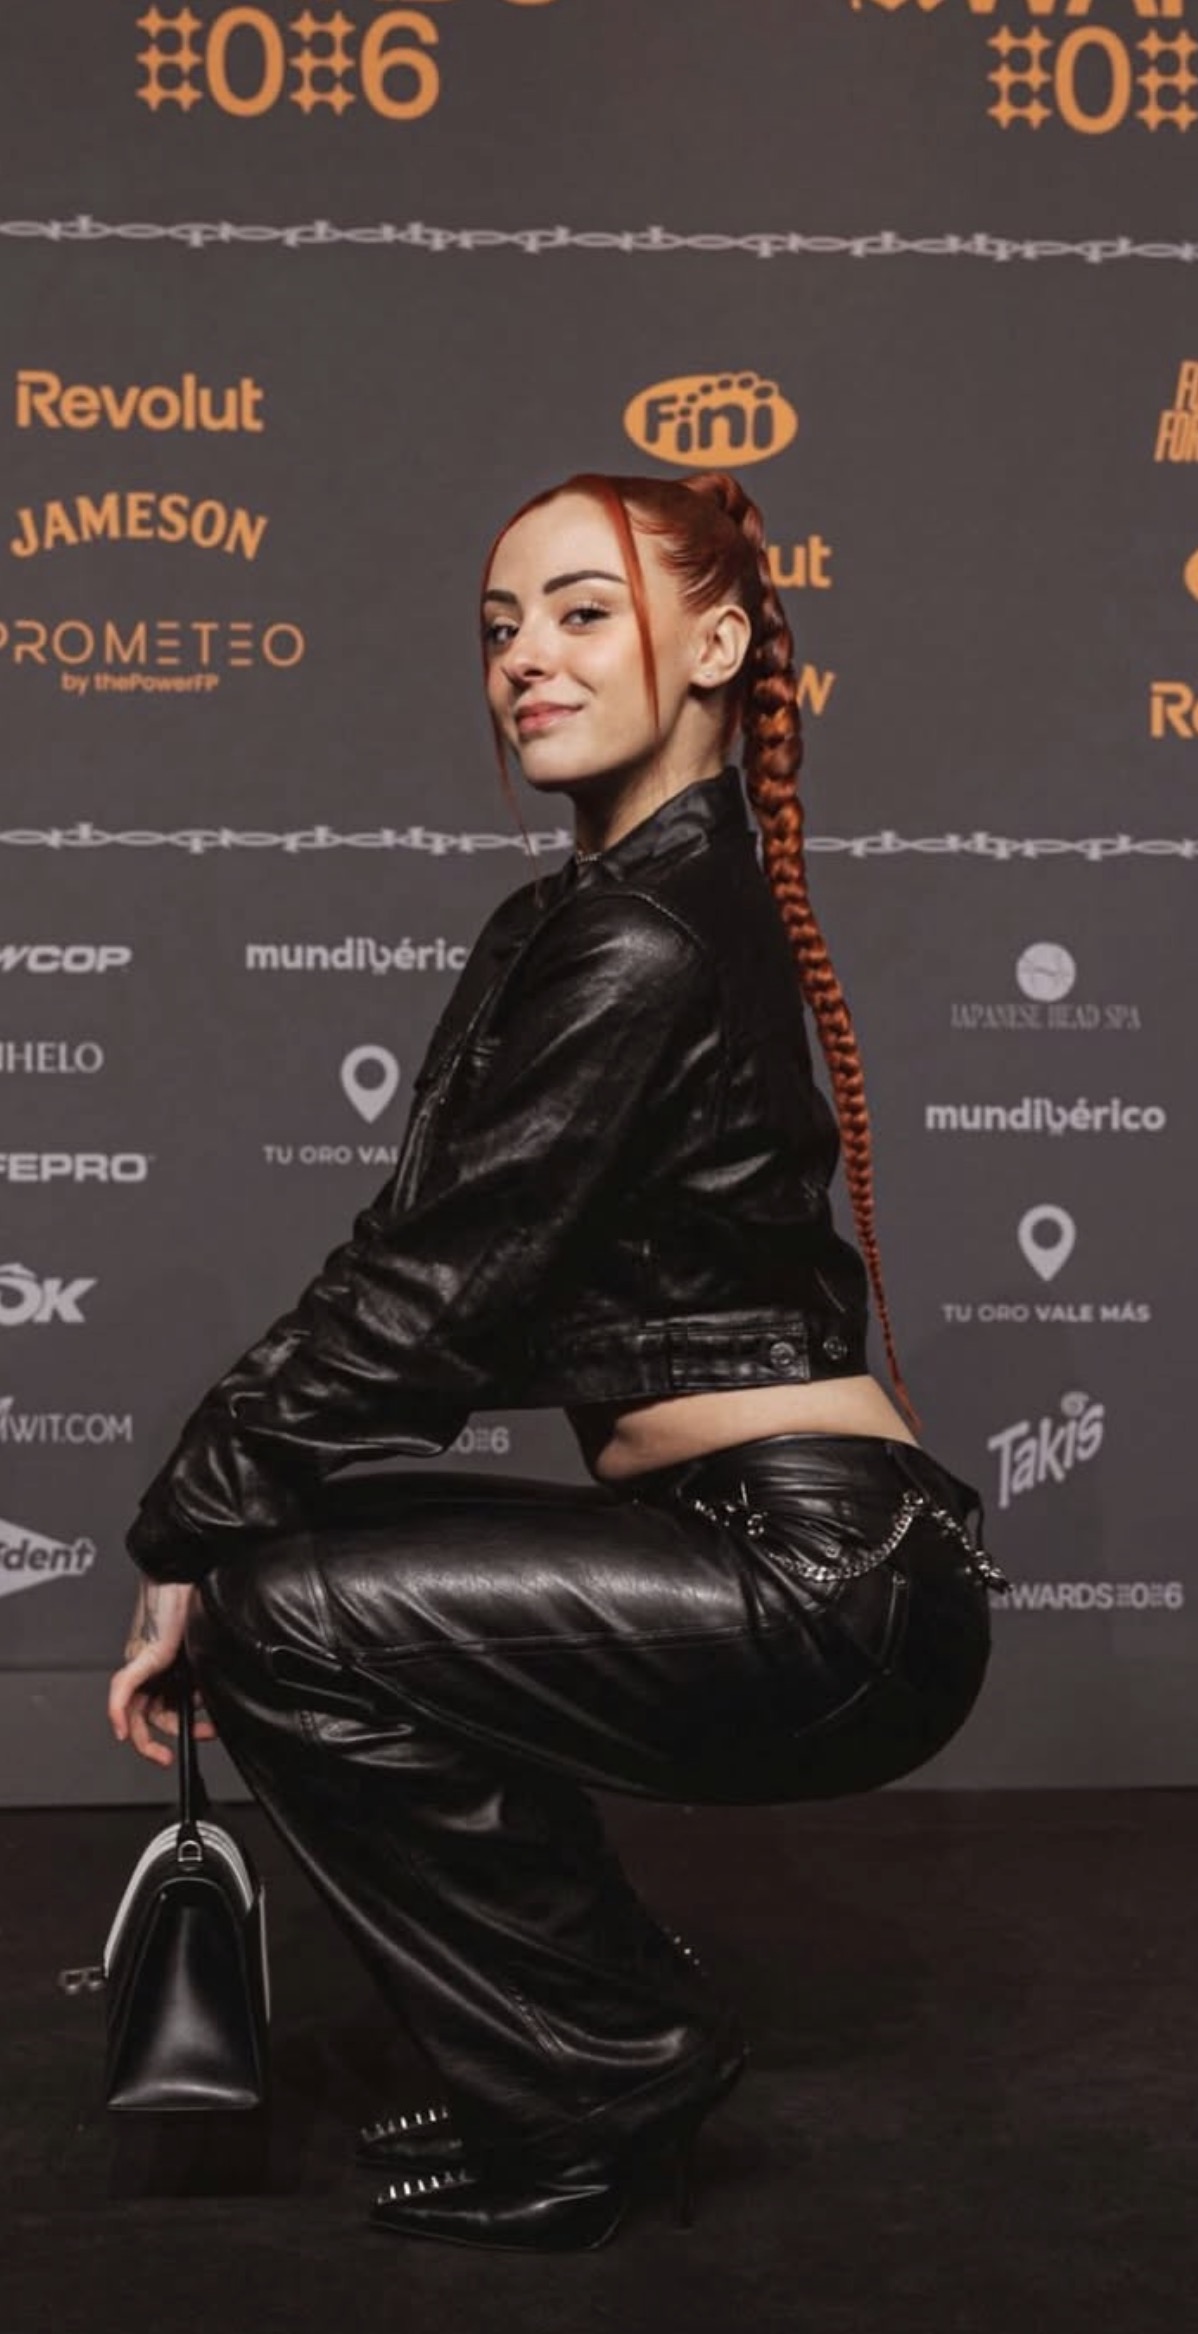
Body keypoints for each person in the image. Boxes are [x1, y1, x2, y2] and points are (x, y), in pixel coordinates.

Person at [107, 467, 1005, 2254]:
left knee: (281, 1608)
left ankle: (599, 2057)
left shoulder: (641, 935)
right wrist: (224, 1515)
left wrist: (182, 1529)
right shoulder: (590, 914)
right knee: (295, 1577)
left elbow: (434, 1295)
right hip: (774, 1543)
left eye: (584, 612)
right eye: (500, 625)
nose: (525, 656)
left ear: (716, 645)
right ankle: (595, 2034)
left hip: (819, 1578)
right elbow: (434, 1265)